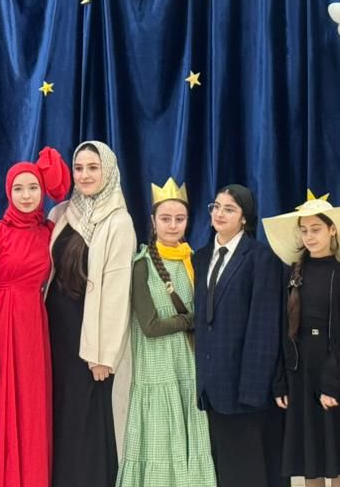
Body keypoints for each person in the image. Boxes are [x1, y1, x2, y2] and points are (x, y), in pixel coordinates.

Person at [0, 149, 70, 487]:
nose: (26, 196)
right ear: (8, 191)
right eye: (18, 188)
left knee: (31, 411)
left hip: (33, 330)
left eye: (33, 188)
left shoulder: (49, 231)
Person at [116, 178, 216, 487]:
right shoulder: (142, 265)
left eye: (179, 219)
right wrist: (191, 320)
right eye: (166, 219)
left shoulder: (195, 261)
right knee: (160, 436)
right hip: (158, 367)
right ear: (153, 220)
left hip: (189, 363)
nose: (173, 226)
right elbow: (150, 326)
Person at [47, 140, 136, 487]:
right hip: (56, 333)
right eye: (79, 168)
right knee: (61, 414)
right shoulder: (63, 213)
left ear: (108, 171)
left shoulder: (118, 221)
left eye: (93, 168)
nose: (84, 175)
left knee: (86, 418)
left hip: (90, 341)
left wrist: (104, 355)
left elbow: (116, 294)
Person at [265, 193, 340, 487]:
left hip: (336, 369)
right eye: (304, 230)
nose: (309, 236)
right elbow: (283, 330)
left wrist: (334, 381)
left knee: (339, 454)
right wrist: (281, 381)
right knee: (310, 458)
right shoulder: (292, 275)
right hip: (301, 371)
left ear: (332, 230)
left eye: (316, 229)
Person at [193, 184, 287, 487]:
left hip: (245, 388)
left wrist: (253, 389)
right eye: (216, 207)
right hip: (213, 385)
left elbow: (264, 326)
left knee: (250, 470)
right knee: (224, 469)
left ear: (244, 218)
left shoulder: (261, 258)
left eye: (229, 209)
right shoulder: (201, 257)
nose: (219, 214)